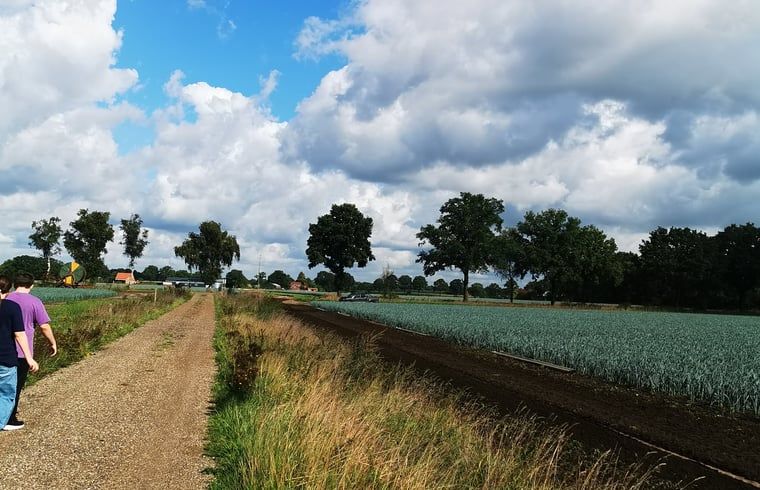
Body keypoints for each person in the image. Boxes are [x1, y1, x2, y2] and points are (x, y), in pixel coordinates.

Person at [4, 272, 54, 430]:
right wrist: (52, 342)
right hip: (22, 352)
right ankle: (9, 419)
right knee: (15, 387)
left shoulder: (6, 298)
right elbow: (44, 326)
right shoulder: (35, 302)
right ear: (31, 285)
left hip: (3, 348)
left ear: (14, 284)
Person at [0, 276, 38, 429]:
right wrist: (29, 358)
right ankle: (3, 422)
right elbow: (20, 335)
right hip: (5, 358)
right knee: (6, 394)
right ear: (8, 290)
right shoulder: (11, 307)